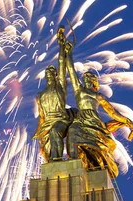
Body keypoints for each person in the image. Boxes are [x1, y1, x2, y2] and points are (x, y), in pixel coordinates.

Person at [64, 41, 133, 178]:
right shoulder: (79, 91)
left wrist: (129, 122)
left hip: (94, 122)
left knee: (98, 147)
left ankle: (100, 163)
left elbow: (113, 113)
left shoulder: (98, 96)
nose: (86, 80)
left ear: (94, 82)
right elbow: (71, 71)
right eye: (85, 78)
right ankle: (74, 163)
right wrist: (67, 53)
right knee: (72, 133)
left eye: (89, 78)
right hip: (81, 120)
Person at [32, 27, 74, 162]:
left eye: (52, 73)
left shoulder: (60, 87)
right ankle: (52, 164)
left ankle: (57, 161)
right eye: (47, 74)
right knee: (44, 151)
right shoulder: (40, 95)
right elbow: (42, 116)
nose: (49, 75)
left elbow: (62, 64)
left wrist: (61, 46)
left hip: (61, 120)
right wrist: (38, 130)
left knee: (55, 132)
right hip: (46, 124)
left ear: (56, 76)